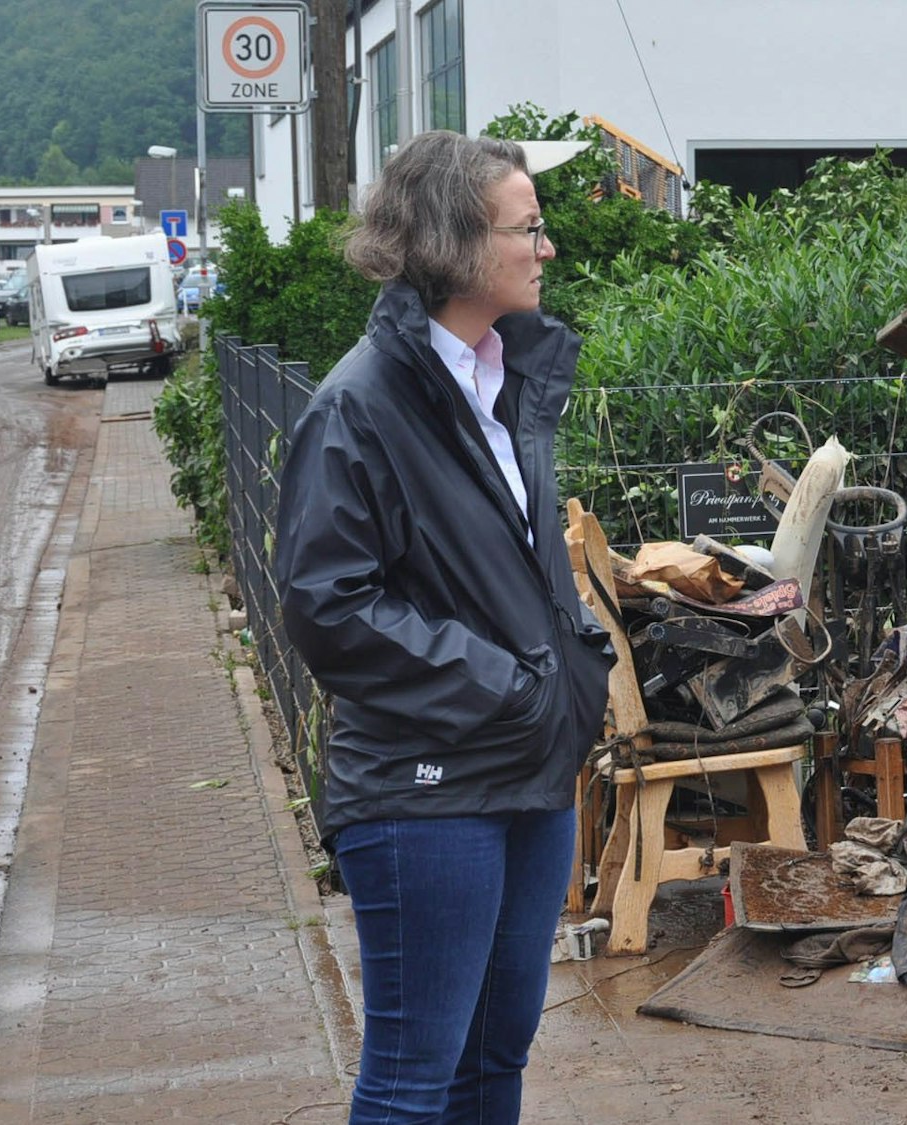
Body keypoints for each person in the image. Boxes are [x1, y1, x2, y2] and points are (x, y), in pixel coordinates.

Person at [275, 130, 612, 1123]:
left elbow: (515, 565)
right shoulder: (360, 407)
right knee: (416, 1077)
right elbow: (327, 604)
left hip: (526, 776)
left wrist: (574, 657)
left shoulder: (503, 381)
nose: (545, 249)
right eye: (528, 230)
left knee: (492, 1061)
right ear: (460, 248)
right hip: (424, 793)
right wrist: (506, 684)